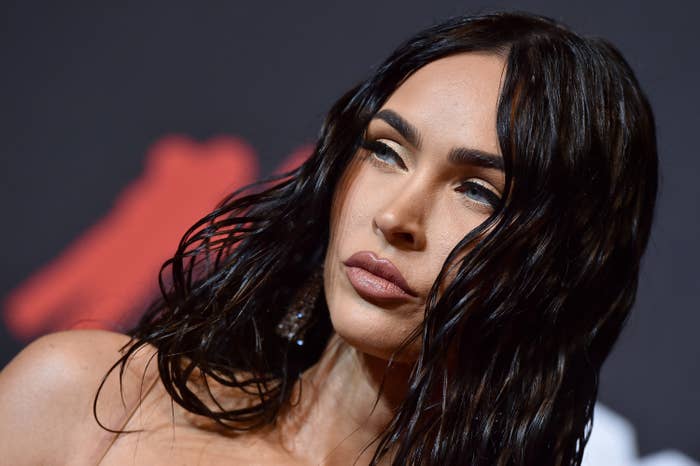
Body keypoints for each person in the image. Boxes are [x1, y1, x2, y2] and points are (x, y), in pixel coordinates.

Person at [0, 11, 658, 466]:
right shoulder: (90, 399)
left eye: (478, 191)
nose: (397, 215)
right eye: (387, 151)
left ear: (564, 265)